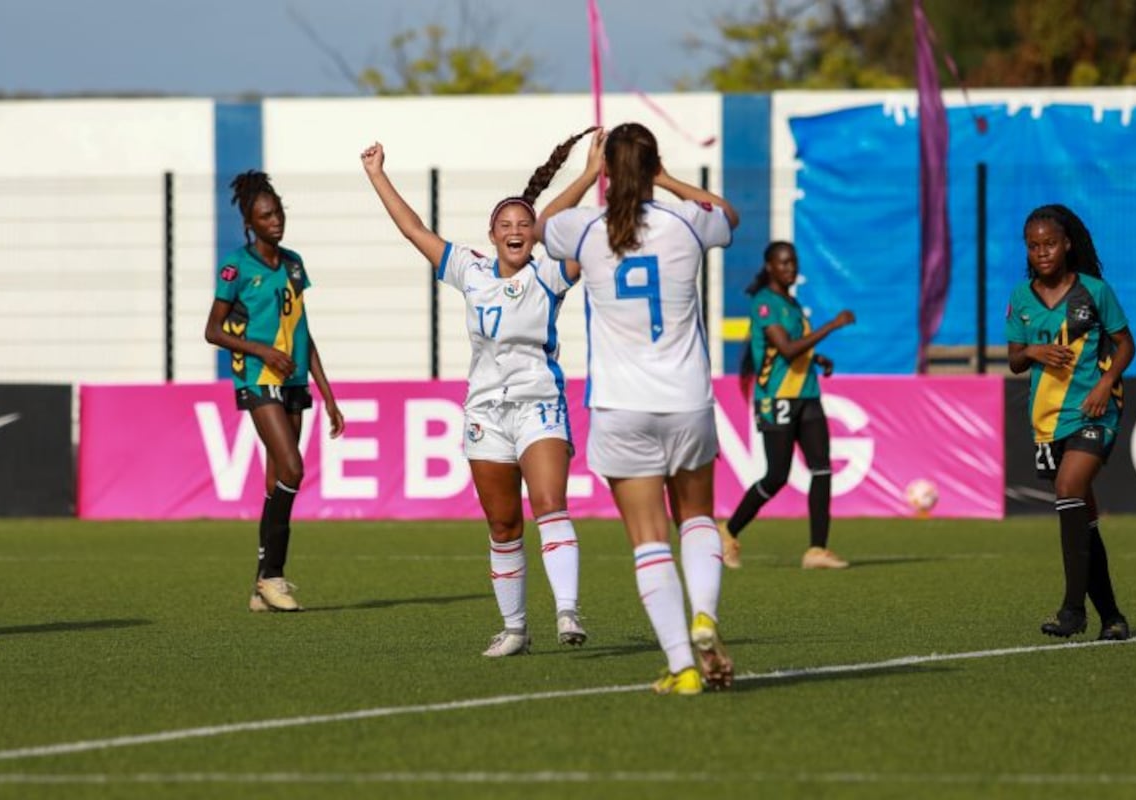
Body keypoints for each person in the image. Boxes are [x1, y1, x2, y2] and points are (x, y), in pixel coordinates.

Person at [361, 128, 603, 657]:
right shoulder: (468, 269)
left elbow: (563, 226)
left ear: (534, 233)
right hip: (486, 413)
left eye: (524, 225)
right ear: (491, 235)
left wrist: (587, 176)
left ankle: (567, 610)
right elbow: (413, 230)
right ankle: (515, 628)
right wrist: (378, 176)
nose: (516, 231)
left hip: (540, 404)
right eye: (505, 225)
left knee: (548, 503)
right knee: (502, 523)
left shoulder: (549, 274)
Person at [540, 122, 740, 696]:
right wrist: (670, 178)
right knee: (697, 519)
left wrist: (584, 173)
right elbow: (728, 213)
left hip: (620, 407)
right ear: (653, 166)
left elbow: (543, 225)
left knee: (648, 539)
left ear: (607, 172)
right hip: (686, 401)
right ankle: (705, 615)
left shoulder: (586, 230)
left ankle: (682, 669)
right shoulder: (688, 224)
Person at [204, 170, 346, 613]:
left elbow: (303, 329)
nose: (274, 221)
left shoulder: (293, 263)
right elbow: (212, 331)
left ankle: (259, 587)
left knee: (276, 482)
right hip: (258, 377)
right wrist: (260, 350)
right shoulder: (236, 266)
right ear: (250, 223)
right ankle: (274, 576)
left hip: (295, 379)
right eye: (265, 216)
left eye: (278, 212)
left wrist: (328, 394)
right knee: (294, 468)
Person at [1006, 204, 1134, 641]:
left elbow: (1125, 345)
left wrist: (1106, 384)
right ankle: (1112, 617)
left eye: (1049, 244)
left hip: (1095, 410)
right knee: (1084, 519)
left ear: (1066, 245)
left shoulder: (1094, 291)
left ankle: (1072, 610)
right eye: (1033, 245)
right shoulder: (1022, 297)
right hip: (1046, 421)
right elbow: (1015, 361)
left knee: (1068, 489)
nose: (1041, 252)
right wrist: (1034, 352)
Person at [717, 242, 855, 570]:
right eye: (783, 263)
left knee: (822, 468)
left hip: (807, 394)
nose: (790, 268)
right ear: (769, 267)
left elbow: (792, 352)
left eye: (793, 262)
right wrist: (832, 326)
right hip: (777, 398)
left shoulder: (791, 303)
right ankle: (729, 530)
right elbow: (787, 349)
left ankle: (817, 550)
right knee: (777, 475)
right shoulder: (765, 304)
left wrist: (817, 359)